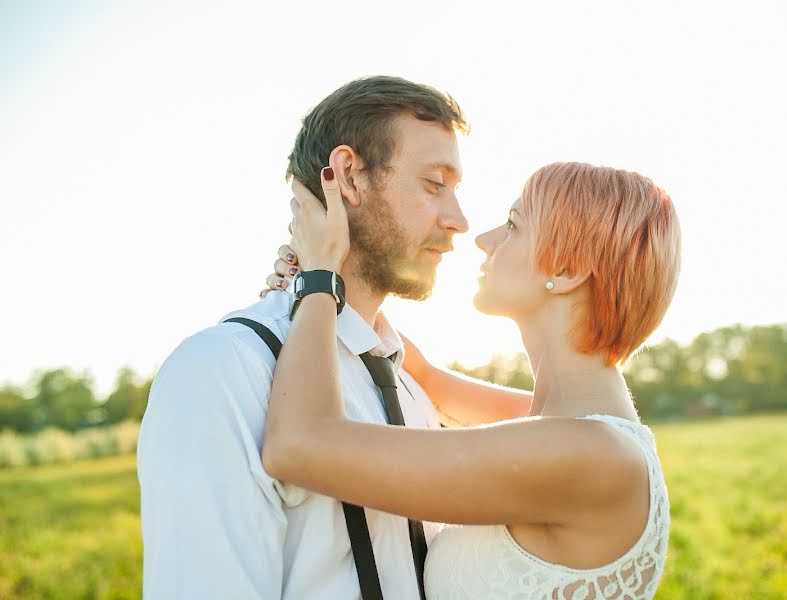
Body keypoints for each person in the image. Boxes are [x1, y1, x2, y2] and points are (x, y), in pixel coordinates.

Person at [137, 76, 528, 599]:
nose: (458, 220)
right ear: (348, 177)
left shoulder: (409, 384)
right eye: (434, 184)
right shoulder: (224, 369)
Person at [261, 160, 680, 599]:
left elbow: (299, 444)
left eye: (514, 225)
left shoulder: (590, 453)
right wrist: (346, 278)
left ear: (568, 272)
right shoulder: (566, 420)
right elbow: (425, 377)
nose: (483, 239)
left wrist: (318, 277)